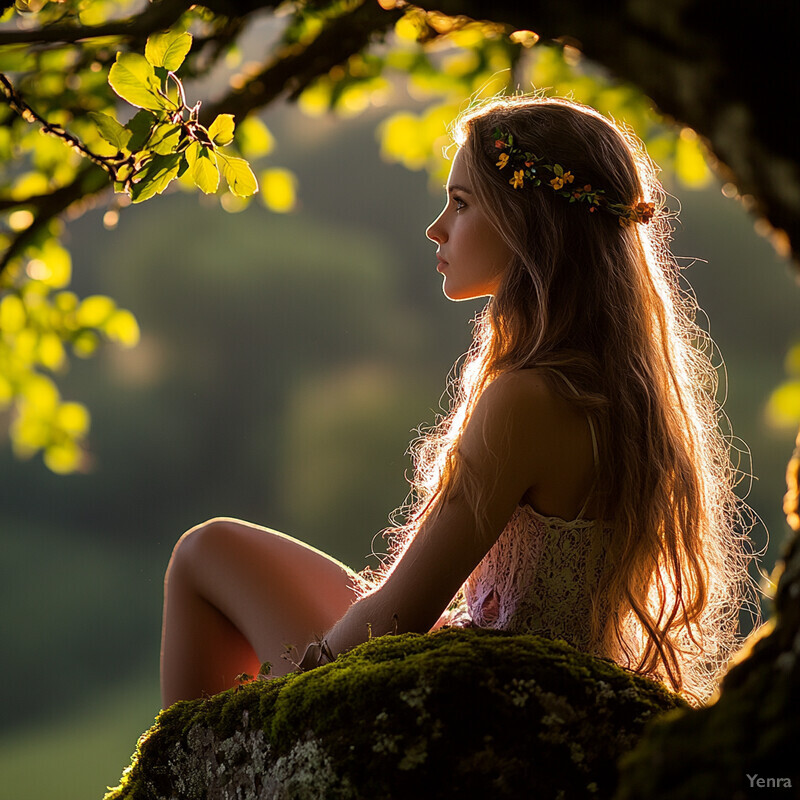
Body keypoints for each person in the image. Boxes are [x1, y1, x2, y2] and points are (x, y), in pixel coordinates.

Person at [160, 95, 758, 709]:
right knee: (216, 549)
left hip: (491, 703)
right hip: (521, 679)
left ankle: (187, 768)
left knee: (205, 554)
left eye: (462, 202)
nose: (436, 227)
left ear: (531, 220)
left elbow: (399, 613)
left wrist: (296, 701)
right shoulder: (615, 385)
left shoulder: (530, 399)